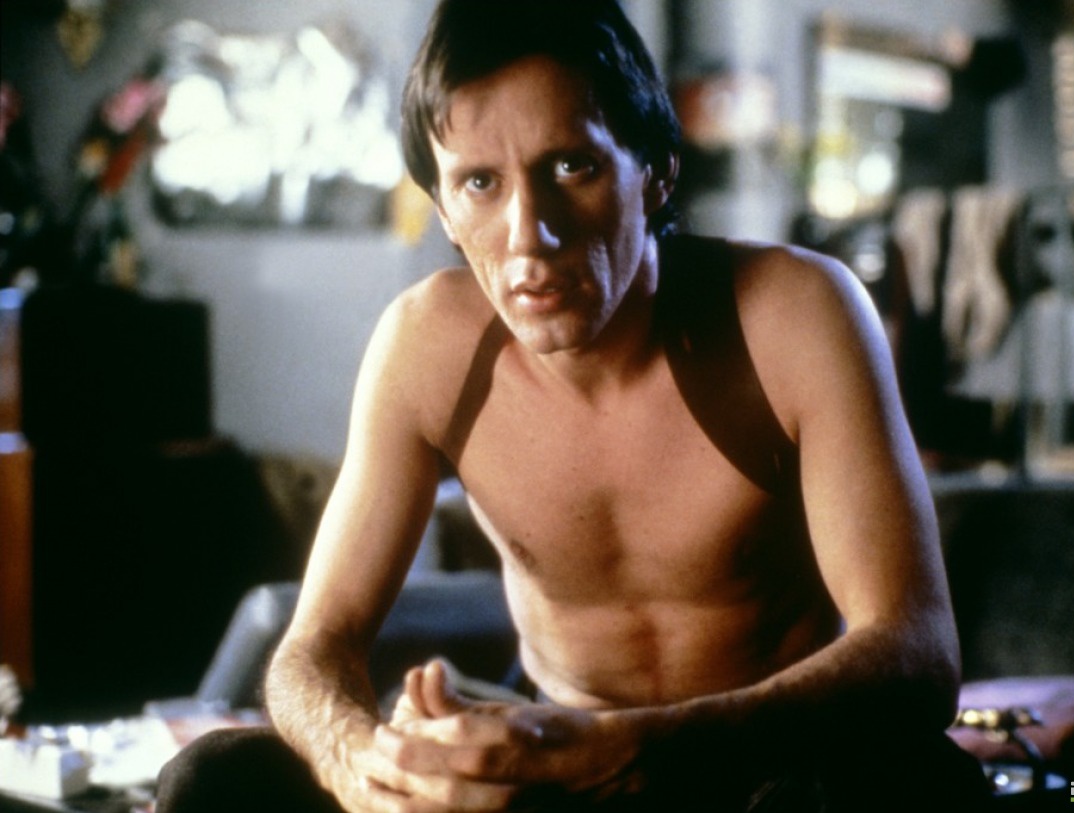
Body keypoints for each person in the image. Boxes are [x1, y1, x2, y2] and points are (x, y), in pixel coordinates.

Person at [157, 1, 990, 810]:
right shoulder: (425, 348)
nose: (531, 234)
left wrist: (642, 750)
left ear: (655, 173)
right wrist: (366, 765)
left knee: (908, 782)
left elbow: (917, 655)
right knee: (215, 780)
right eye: (479, 183)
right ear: (444, 210)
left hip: (756, 768)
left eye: (571, 168)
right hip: (555, 773)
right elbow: (310, 649)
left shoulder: (795, 313)